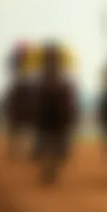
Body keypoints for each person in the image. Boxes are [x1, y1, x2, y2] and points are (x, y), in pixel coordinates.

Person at [34, 42, 78, 185]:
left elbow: (69, 103)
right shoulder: (53, 82)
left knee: (51, 147)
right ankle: (50, 170)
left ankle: (49, 169)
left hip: (53, 121)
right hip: (52, 121)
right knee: (52, 147)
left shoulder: (48, 82)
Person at [4, 42, 38, 160]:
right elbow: (11, 69)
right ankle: (13, 149)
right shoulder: (14, 59)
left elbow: (35, 71)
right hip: (20, 81)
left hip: (27, 81)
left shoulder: (33, 58)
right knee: (12, 93)